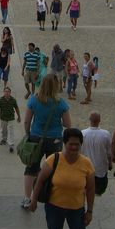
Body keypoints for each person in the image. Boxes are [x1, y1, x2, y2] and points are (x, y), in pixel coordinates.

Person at [29, 128, 102, 229]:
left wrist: (90, 211)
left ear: (81, 145)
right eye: (70, 144)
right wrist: (33, 200)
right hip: (54, 207)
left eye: (77, 144)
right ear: (64, 143)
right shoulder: (53, 159)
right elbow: (39, 181)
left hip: (76, 209)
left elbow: (90, 189)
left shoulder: (86, 164)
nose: (73, 147)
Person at [21, 74, 71, 209]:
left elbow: (27, 121)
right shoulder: (61, 103)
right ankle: (52, 197)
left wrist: (28, 134)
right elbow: (68, 124)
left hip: (36, 137)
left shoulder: (34, 100)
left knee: (31, 168)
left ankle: (28, 198)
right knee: (53, 169)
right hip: (55, 139)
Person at [82, 112, 112, 195]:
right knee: (99, 191)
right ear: (99, 120)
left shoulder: (83, 133)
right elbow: (109, 153)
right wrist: (110, 164)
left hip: (86, 168)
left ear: (89, 120)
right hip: (100, 168)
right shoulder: (105, 134)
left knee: (86, 189)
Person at [0, 86, 20, 152]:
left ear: (10, 92)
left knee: (11, 130)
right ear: (3, 92)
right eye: (5, 91)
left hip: (11, 118)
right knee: (4, 130)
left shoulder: (13, 100)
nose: (7, 93)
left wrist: (19, 116)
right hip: (3, 118)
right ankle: (4, 139)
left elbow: (16, 108)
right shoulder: (0, 100)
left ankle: (11, 144)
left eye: (8, 92)